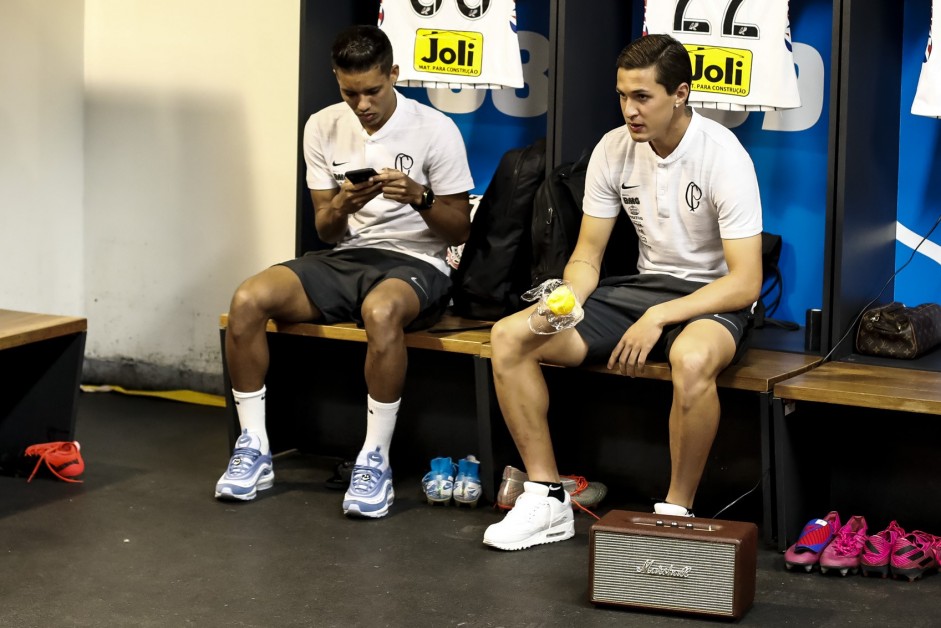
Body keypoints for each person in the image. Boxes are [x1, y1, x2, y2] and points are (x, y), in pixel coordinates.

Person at [482, 34, 764, 551]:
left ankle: (674, 511)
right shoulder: (614, 147)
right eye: (622, 96)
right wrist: (566, 298)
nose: (629, 111)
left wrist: (660, 317)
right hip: (639, 290)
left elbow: (745, 281)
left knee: (693, 357)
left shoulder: (723, 155)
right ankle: (546, 497)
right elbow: (588, 254)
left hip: (711, 297)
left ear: (680, 93)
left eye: (642, 98)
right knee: (510, 336)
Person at [215, 25, 474, 519]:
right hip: (348, 257)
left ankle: (373, 459)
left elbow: (458, 230)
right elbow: (327, 230)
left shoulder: (436, 129)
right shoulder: (322, 125)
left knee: (380, 311)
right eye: (349, 92)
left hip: (419, 262)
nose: (362, 104)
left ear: (394, 74)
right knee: (248, 299)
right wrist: (342, 202)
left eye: (373, 91)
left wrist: (419, 197)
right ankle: (254, 447)